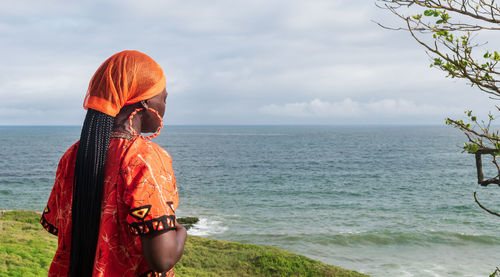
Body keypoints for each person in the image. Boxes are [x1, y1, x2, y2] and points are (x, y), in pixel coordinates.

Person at [40, 50, 187, 277]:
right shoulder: (145, 158)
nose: (165, 107)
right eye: (164, 98)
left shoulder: (73, 155)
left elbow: (63, 229)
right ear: (145, 102)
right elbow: (162, 258)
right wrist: (181, 231)